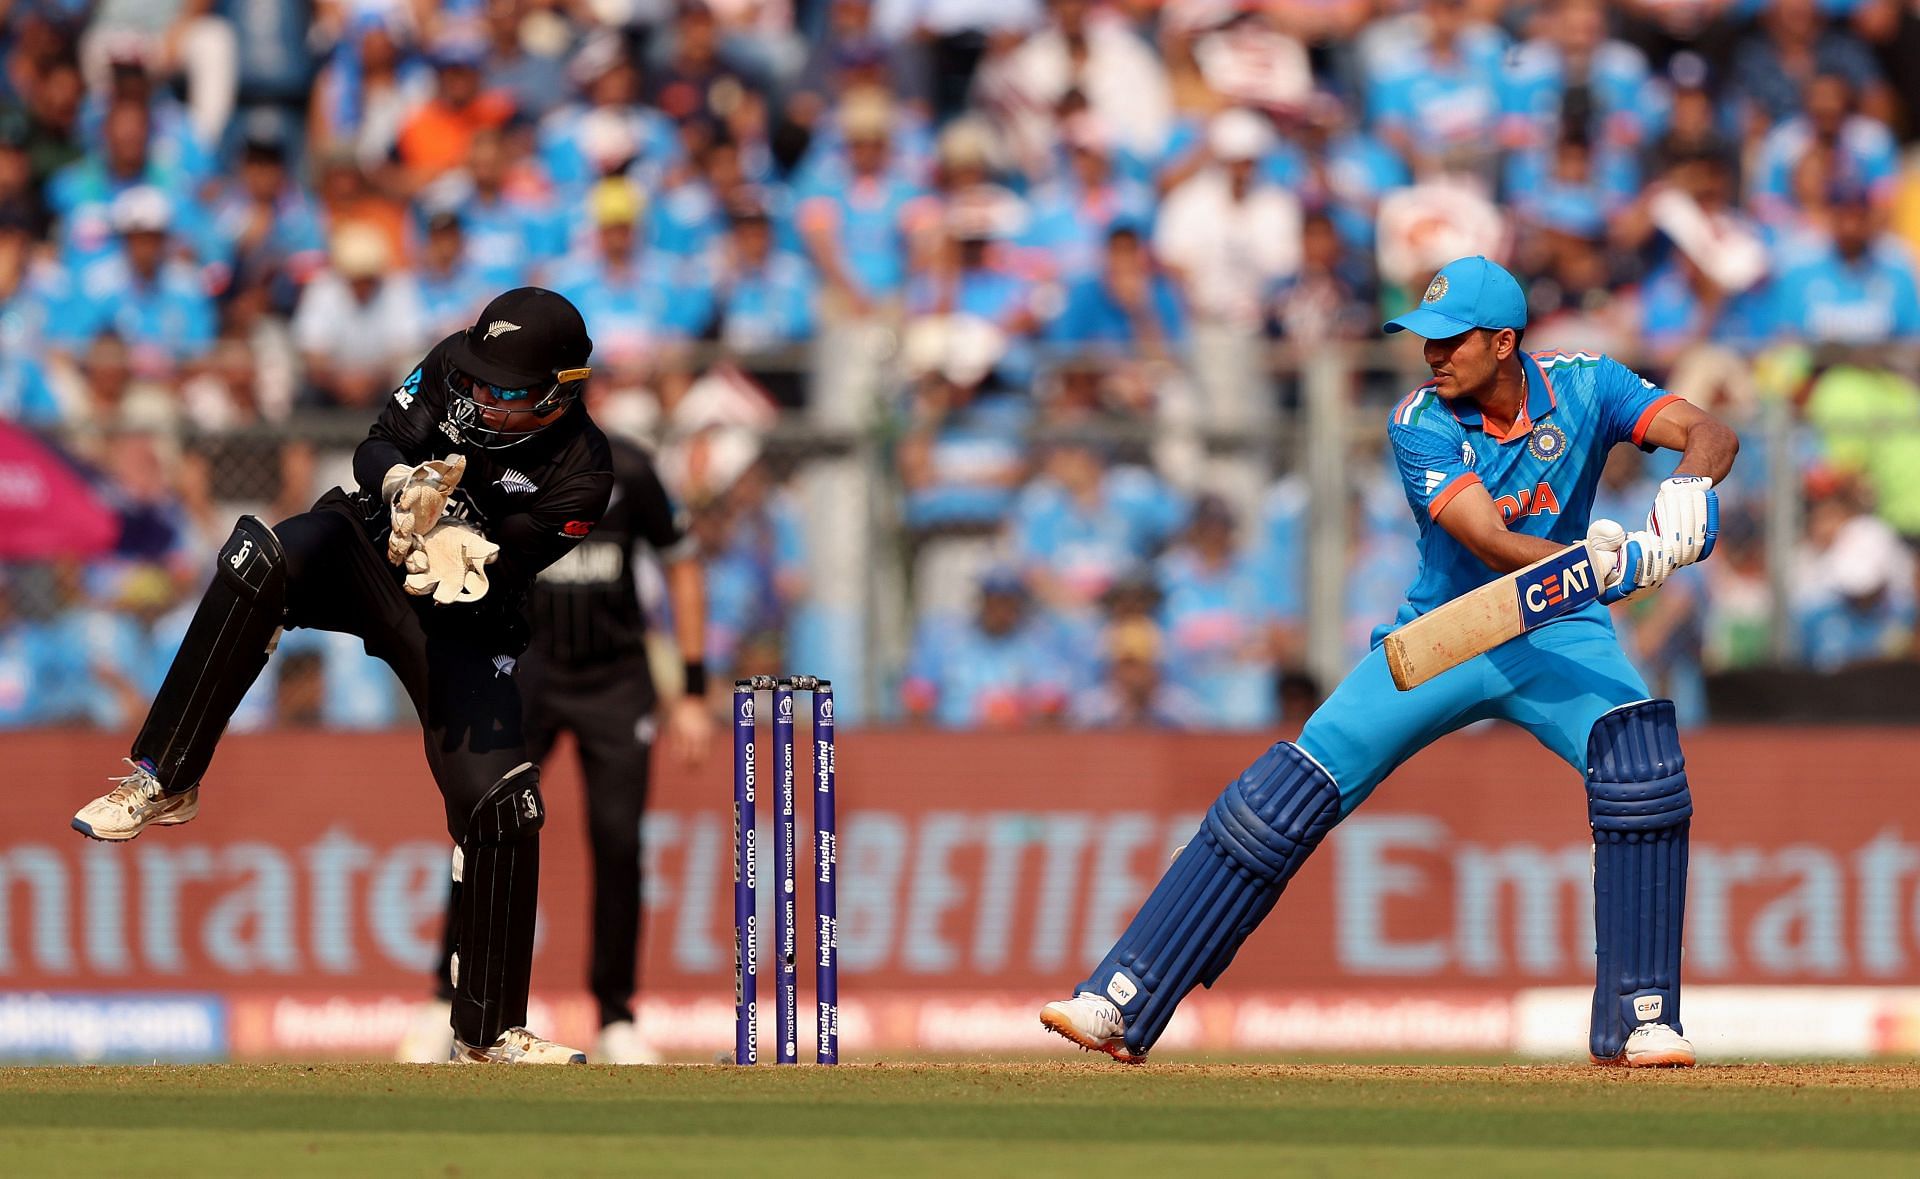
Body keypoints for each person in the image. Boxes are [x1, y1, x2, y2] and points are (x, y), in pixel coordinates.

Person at [1038, 256, 1739, 1068]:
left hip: (1560, 633)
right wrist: (1606, 565)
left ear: (1505, 342)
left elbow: (1708, 429)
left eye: (1451, 340)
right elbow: (1488, 539)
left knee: (1642, 767)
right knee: (1286, 790)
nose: (1432, 354)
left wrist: (1690, 486)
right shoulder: (1420, 420)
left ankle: (1641, 1018)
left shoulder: (1590, 383)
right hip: (1449, 629)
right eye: (1424, 339)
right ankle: (1122, 996)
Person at [71, 288, 616, 1065]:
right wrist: (402, 490)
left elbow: (507, 568)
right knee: (261, 557)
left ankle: (487, 1031)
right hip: (363, 551)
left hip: (461, 615)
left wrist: (464, 545)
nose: (485, 398)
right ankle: (168, 777)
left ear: (560, 391)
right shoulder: (455, 368)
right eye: (481, 382)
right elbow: (376, 446)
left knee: (504, 803)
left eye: (508, 392)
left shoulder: (583, 476)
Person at [397, 431, 715, 1065]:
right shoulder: (501, 466)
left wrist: (693, 687)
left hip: (617, 679)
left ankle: (617, 1017)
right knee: (483, 828)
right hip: (525, 668)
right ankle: (446, 1003)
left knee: (620, 839)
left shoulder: (632, 468)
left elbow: (681, 561)